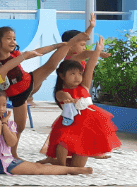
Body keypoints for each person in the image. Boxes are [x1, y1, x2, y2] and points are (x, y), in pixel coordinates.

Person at [0, 25, 85, 158]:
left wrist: (56, 46)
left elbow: (38, 51)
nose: (13, 42)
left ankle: (68, 45)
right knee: (19, 127)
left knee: (51, 66)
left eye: (14, 39)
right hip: (17, 96)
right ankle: (11, 153)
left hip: (29, 81)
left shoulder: (15, 54)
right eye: (8, 39)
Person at [43, 38, 120, 168]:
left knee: (78, 166)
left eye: (79, 73)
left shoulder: (84, 86)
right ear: (62, 75)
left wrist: (98, 50)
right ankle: (58, 162)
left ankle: (54, 162)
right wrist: (69, 98)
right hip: (69, 125)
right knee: (63, 142)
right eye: (72, 74)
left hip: (87, 127)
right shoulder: (60, 92)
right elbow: (63, 96)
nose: (77, 77)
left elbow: (90, 66)